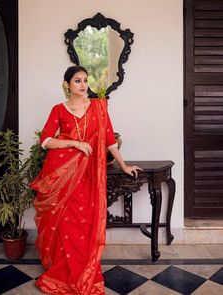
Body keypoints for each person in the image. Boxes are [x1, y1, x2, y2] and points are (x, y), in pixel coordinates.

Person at [31, 66, 141, 294]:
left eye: (85, 80)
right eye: (77, 81)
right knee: (65, 221)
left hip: (89, 173)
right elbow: (46, 141)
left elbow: (110, 140)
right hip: (62, 173)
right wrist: (74, 143)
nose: (83, 85)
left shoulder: (98, 108)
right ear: (67, 84)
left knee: (84, 222)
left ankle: (84, 270)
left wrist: (123, 164)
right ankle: (63, 270)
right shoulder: (58, 110)